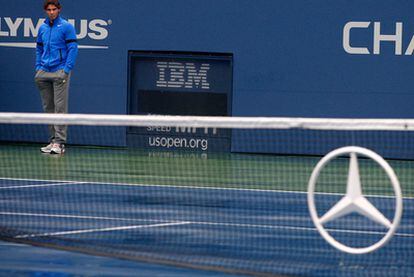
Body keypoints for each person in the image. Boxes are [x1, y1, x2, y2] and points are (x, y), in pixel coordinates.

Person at [35, 0, 78, 154]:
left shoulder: (66, 27)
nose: (51, 12)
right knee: (48, 108)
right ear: (46, 11)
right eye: (49, 10)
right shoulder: (42, 28)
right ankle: (52, 140)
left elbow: (73, 49)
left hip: (60, 71)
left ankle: (59, 143)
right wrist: (38, 67)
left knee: (60, 108)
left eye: (54, 9)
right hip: (43, 72)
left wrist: (66, 69)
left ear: (59, 10)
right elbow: (39, 49)